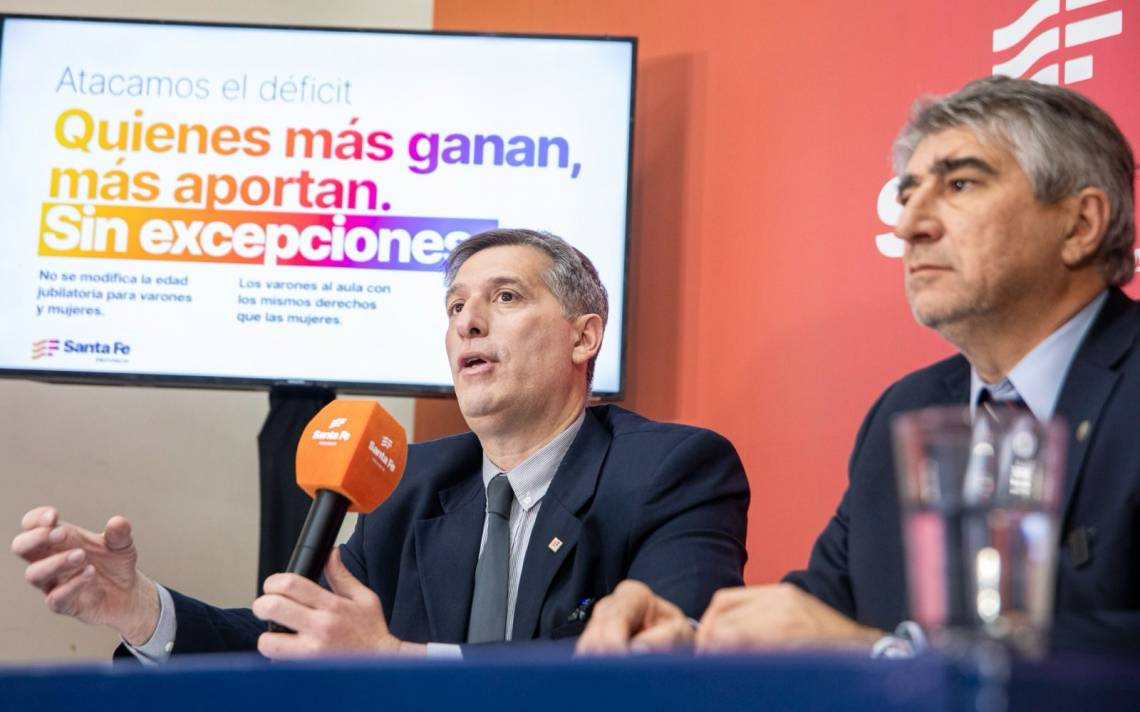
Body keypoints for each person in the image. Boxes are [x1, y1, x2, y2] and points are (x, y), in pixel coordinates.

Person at [577, 76, 1140, 657]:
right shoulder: (907, 410)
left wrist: (890, 657)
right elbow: (823, 612)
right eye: (907, 194)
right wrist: (695, 643)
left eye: (961, 184)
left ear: (1080, 224)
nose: (908, 226)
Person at [13, 229, 749, 660]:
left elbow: (669, 663)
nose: (467, 323)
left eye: (505, 297)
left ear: (584, 336)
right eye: (455, 306)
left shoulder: (673, 470)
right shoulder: (415, 482)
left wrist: (403, 665)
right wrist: (140, 609)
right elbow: (290, 646)